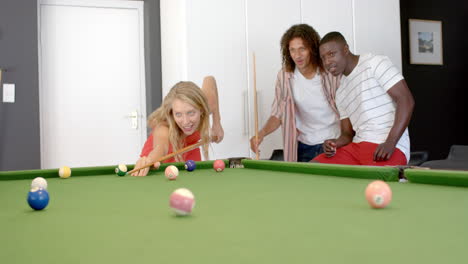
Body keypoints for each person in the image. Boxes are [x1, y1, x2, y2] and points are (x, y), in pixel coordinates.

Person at [314, 32, 414, 165]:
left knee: (369, 184)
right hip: (357, 148)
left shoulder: (375, 63)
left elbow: (406, 100)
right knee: (313, 168)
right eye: (323, 58)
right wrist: (334, 143)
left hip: (387, 147)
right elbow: (347, 135)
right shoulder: (340, 92)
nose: (327, 62)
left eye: (331, 54)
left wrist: (390, 142)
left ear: (345, 49)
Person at [250, 24, 341, 162]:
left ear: (312, 49)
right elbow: (278, 114)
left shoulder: (329, 73)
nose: (297, 55)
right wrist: (261, 134)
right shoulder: (285, 76)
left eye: (302, 49)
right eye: (292, 50)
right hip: (303, 147)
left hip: (332, 144)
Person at [131, 76, 224, 176]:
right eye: (178, 114)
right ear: (172, 112)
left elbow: (209, 79)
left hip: (190, 149)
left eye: (191, 113)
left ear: (201, 109)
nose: (185, 122)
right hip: (158, 162)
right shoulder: (163, 128)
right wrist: (149, 160)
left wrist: (217, 123)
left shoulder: (206, 106)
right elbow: (160, 147)